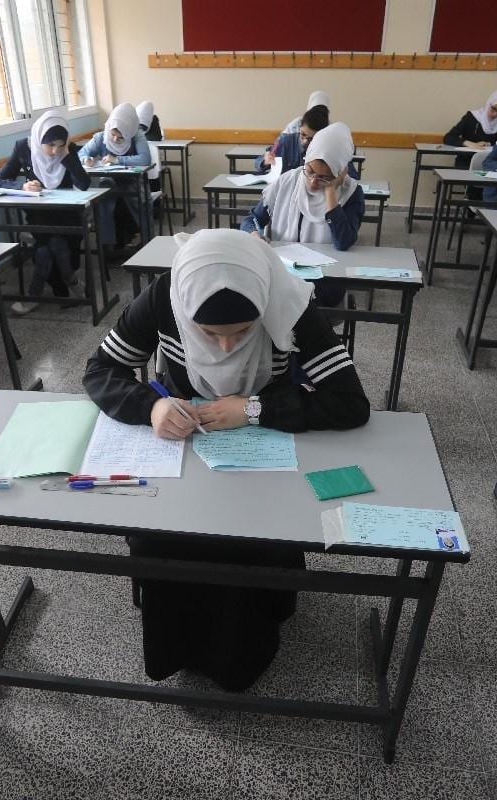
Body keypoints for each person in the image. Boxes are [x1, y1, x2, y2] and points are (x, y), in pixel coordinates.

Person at [82, 228, 369, 691]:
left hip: (265, 454)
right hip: (186, 444)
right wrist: (151, 406)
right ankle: (174, 650)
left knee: (250, 539)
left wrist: (254, 409)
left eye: (243, 332)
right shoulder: (165, 296)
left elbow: (350, 403)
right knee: (164, 539)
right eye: (208, 334)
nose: (225, 348)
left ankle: (240, 658)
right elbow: (101, 369)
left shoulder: (287, 302)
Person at [241, 122, 365, 307]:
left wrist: (330, 192)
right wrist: (254, 235)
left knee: (302, 304)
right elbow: (250, 220)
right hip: (283, 273)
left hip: (325, 281)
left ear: (339, 172)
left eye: (324, 177)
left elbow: (343, 241)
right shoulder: (286, 182)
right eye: (310, 171)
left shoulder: (352, 193)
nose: (313, 182)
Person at [0, 109, 90, 313]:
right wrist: (23, 186)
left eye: (60, 145)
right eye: (50, 145)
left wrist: (67, 156)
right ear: (39, 139)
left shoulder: (68, 150)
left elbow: (84, 184)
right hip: (39, 215)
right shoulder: (23, 147)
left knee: (50, 247)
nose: (55, 151)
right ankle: (70, 285)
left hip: (68, 216)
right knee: (51, 246)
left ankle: (36, 295)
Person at [79, 103, 152, 248]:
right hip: (109, 183)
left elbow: (145, 159)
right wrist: (86, 159)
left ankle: (140, 237)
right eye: (112, 134)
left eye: (120, 138)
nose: (114, 140)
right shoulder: (101, 137)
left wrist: (118, 159)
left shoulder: (137, 135)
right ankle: (107, 246)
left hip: (132, 182)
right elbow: (81, 153)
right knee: (104, 198)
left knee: (131, 198)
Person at [443, 89, 497, 168]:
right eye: (493, 109)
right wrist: (469, 144)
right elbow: (448, 137)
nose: (495, 114)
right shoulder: (471, 117)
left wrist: (488, 144)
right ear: (488, 104)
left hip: (487, 162)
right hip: (465, 160)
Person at [255, 105, 328, 175]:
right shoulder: (286, 141)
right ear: (300, 127)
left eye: (311, 139)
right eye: (303, 134)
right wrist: (265, 162)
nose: (305, 141)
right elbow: (258, 163)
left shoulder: (325, 149)